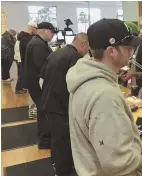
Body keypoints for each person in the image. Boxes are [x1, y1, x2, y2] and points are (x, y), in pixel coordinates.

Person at [66, 19, 142, 176]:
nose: (131, 53)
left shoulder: (84, 77)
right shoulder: (103, 94)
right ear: (111, 51)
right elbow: (115, 161)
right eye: (128, 49)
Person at [39, 33, 89, 176]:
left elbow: (41, 79)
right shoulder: (75, 58)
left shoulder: (56, 53)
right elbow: (78, 85)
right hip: (61, 105)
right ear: (83, 44)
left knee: (56, 137)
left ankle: (57, 164)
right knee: (64, 141)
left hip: (48, 101)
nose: (87, 52)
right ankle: (63, 170)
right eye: (88, 48)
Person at [24, 22, 56, 149]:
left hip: (35, 83)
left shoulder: (36, 42)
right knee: (45, 111)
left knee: (42, 111)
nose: (53, 35)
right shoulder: (38, 45)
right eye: (52, 32)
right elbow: (44, 67)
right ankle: (45, 140)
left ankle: (44, 137)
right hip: (38, 85)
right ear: (45, 31)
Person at [120, 21, 142, 90]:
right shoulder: (128, 48)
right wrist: (123, 72)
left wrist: (134, 74)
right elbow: (129, 66)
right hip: (129, 88)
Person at [14, 21, 37, 94]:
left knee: (21, 74)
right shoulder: (27, 39)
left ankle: (19, 88)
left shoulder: (23, 38)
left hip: (21, 60)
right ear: (33, 28)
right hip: (24, 61)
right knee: (21, 74)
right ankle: (18, 88)